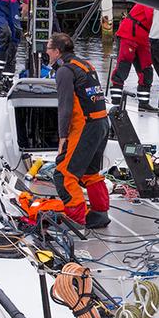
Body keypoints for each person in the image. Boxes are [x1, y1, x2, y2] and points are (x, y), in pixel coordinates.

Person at [46, 33, 111, 228]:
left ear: (57, 51)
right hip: (102, 123)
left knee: (64, 175)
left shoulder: (65, 71)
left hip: (85, 126)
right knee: (90, 172)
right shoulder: (86, 65)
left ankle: (76, 221)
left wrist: (63, 137)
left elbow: (65, 107)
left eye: (48, 49)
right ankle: (100, 214)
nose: (46, 52)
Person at [109, 2, 154, 110]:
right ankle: (116, 102)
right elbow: (151, 18)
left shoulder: (156, 2)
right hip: (129, 35)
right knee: (123, 67)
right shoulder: (150, 0)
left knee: (146, 70)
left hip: (143, 39)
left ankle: (143, 104)